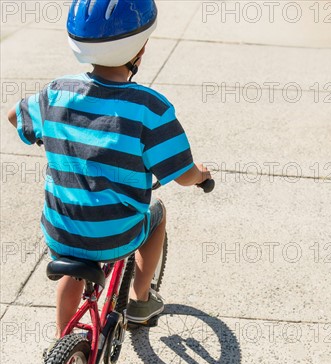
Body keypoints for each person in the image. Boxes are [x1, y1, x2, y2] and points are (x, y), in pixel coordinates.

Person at [8, 0, 211, 336]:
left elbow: (15, 117)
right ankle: (140, 302)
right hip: (114, 236)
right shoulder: (151, 108)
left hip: (60, 230)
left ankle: (62, 344)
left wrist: (48, 138)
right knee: (156, 214)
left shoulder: (56, 92)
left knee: (76, 268)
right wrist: (201, 176)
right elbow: (183, 172)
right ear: (140, 50)